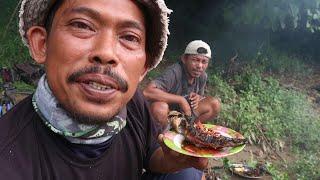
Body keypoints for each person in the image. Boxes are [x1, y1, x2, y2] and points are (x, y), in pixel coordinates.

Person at [0, 0, 208, 180]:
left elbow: (151, 155)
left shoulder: (131, 103)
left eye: (129, 37)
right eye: (82, 25)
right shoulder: (9, 161)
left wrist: (173, 160)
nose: (106, 52)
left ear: (144, 68)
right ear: (41, 44)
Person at [143, 40, 221, 130]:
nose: (200, 66)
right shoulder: (174, 72)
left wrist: (198, 97)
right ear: (184, 59)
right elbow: (147, 92)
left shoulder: (202, 76)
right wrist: (181, 100)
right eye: (196, 60)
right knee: (160, 109)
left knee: (214, 104)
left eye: (204, 62)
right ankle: (164, 136)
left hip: (184, 116)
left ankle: (190, 131)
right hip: (168, 115)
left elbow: (200, 96)